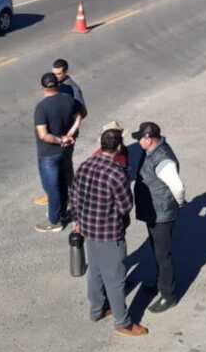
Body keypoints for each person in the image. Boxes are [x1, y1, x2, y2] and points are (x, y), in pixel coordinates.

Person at [71, 128, 148, 337]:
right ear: (119, 147)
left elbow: (75, 197)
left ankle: (97, 310)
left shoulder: (85, 165)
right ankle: (123, 323)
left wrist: (78, 221)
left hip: (88, 229)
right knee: (115, 279)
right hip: (110, 233)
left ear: (101, 144)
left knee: (95, 271)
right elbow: (126, 206)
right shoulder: (117, 173)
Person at [132, 121, 185, 314]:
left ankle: (168, 295)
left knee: (163, 256)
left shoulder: (163, 159)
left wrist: (179, 203)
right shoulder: (152, 151)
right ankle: (159, 282)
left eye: (140, 138)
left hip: (162, 214)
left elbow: (178, 187)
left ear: (149, 139)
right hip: (154, 211)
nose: (138, 141)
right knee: (156, 251)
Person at [33, 72, 86, 232]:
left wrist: (60, 140)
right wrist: (70, 134)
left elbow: (43, 135)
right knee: (62, 183)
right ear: (57, 84)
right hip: (65, 151)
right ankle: (62, 213)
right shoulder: (69, 100)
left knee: (52, 188)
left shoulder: (42, 107)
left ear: (43, 87)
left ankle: (55, 221)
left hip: (48, 154)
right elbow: (80, 116)